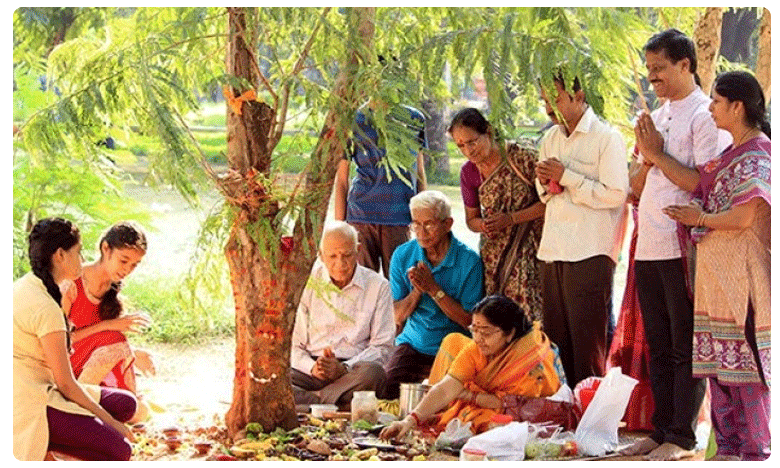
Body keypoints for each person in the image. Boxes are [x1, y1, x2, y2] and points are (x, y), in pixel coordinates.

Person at [622, 29, 730, 461]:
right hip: (648, 243)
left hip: (684, 245)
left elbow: (708, 185)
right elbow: (635, 185)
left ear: (685, 64)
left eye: (660, 68)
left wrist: (658, 155)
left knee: (685, 344)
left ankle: (682, 437)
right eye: (649, 70)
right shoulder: (660, 113)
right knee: (660, 345)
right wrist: (647, 159)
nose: (653, 78)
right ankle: (662, 427)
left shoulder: (705, 115)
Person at [663, 71, 770, 461]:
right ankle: (727, 450)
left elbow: (744, 217)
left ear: (738, 106)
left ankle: (754, 452)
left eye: (717, 102)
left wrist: (700, 220)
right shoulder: (729, 157)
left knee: (745, 372)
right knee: (721, 372)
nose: (710, 109)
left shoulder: (757, 155)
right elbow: (702, 191)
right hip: (718, 285)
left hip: (742, 285)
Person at [534, 74, 629, 388]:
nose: (549, 108)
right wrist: (549, 182)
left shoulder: (606, 137)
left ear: (578, 94)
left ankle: (588, 424)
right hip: (553, 250)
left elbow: (616, 194)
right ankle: (563, 420)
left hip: (591, 250)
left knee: (588, 346)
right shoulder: (550, 138)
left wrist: (568, 178)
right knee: (556, 344)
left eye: (556, 99)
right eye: (545, 101)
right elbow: (544, 193)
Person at [13, 218, 136, 461]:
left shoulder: (29, 285)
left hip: (42, 385)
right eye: (78, 252)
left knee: (127, 404)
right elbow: (66, 383)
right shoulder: (45, 307)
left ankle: (60, 442)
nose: (81, 260)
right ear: (60, 255)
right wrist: (110, 423)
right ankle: (47, 446)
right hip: (29, 398)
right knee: (120, 449)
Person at [379, 295, 563, 438]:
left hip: (526, 410)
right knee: (463, 419)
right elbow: (445, 388)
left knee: (492, 425)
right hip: (488, 402)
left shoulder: (529, 358)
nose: (478, 339)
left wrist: (467, 395)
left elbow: (513, 404)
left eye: (486, 332)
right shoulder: (477, 349)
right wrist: (409, 420)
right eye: (474, 330)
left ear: (510, 333)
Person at [379, 190, 483, 400]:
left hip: (453, 344)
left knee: (451, 401)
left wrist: (434, 289)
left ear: (447, 224)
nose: (421, 232)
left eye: (429, 224)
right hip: (413, 344)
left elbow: (469, 321)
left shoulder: (469, 261)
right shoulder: (403, 255)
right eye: (415, 224)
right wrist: (418, 290)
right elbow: (396, 316)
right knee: (385, 391)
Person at [449, 108, 545, 322]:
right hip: (494, 255)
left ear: (488, 132)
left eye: (472, 142)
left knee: (530, 314)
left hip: (531, 248)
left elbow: (549, 204)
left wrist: (511, 219)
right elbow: (472, 219)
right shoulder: (469, 172)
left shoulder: (522, 158)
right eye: (460, 146)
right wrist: (484, 226)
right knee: (497, 318)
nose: (468, 151)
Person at [291, 221, 395, 410]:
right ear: (321, 256)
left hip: (352, 372)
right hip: (311, 370)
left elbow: (383, 347)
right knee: (273, 378)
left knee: (374, 374)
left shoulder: (378, 286)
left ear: (358, 250)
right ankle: (337, 404)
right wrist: (312, 368)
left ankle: (312, 403)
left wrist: (344, 368)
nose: (340, 264)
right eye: (332, 256)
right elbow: (293, 345)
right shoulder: (306, 283)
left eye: (347, 255)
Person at [65, 221, 154, 423]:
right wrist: (109, 326)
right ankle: (75, 406)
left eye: (134, 265)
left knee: (141, 412)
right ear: (106, 248)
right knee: (115, 338)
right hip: (63, 366)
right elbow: (61, 339)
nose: (127, 270)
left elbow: (101, 342)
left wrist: (134, 354)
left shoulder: (111, 288)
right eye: (124, 261)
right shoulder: (71, 283)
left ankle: (93, 406)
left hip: (90, 367)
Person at [334, 96, 428, 278]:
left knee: (399, 286)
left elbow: (419, 173)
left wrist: (423, 219)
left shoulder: (414, 119)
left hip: (399, 216)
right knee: (361, 286)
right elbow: (342, 180)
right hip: (361, 217)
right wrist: (339, 230)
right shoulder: (353, 119)